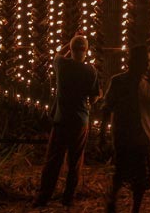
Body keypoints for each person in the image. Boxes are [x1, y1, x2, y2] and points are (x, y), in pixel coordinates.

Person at [33, 35, 100, 207]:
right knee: (75, 161)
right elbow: (93, 99)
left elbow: (57, 54)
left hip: (61, 119)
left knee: (53, 159)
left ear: (70, 50)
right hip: (80, 121)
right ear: (86, 51)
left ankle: (43, 197)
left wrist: (68, 43)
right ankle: (68, 198)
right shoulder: (91, 70)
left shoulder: (62, 65)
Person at [100, 46, 150, 213]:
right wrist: (102, 134)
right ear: (134, 62)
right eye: (146, 61)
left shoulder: (147, 84)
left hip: (143, 137)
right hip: (125, 136)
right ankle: (112, 202)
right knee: (120, 172)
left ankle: (135, 208)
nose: (148, 65)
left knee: (141, 179)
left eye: (148, 62)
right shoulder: (118, 81)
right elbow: (107, 107)